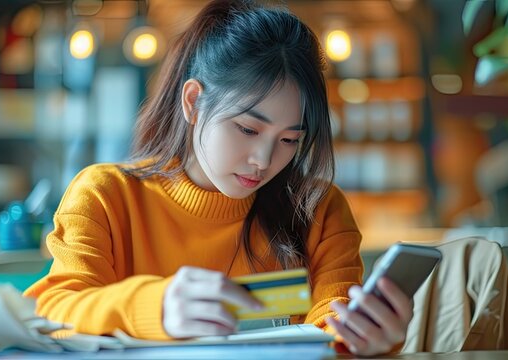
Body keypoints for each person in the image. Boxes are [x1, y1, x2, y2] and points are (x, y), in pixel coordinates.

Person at [24, 0, 412, 355]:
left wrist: (370, 342)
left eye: (290, 139)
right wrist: (155, 307)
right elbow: (55, 312)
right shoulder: (106, 196)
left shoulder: (317, 210)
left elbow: (333, 321)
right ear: (193, 102)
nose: (263, 160)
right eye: (247, 129)